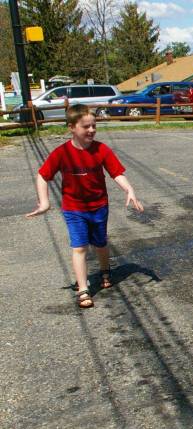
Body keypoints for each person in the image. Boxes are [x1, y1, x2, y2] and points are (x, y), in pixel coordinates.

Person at [26, 104, 144, 308]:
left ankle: (105, 270)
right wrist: (44, 202)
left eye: (94, 126)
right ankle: (83, 288)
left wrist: (129, 190)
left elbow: (116, 172)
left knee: (100, 243)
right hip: (74, 209)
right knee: (79, 247)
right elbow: (43, 175)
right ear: (72, 127)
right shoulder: (62, 153)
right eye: (85, 126)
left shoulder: (101, 149)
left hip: (99, 206)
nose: (91, 130)